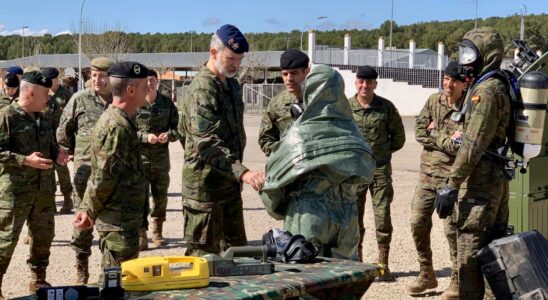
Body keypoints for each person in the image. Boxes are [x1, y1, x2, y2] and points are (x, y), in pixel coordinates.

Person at [260, 64, 375, 260]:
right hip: (348, 215)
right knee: (345, 276)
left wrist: (278, 208)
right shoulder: (352, 130)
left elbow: (274, 182)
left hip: (308, 212)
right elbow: (367, 170)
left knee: (305, 277)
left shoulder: (300, 132)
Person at [435, 27, 510, 300]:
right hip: (493, 180)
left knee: (470, 257)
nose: (466, 59)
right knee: (494, 254)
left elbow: (473, 144)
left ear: (487, 55)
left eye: (471, 52)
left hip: (480, 186)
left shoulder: (487, 91)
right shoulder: (495, 83)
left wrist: (451, 184)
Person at [178, 24, 265, 256]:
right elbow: (206, 142)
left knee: (238, 257)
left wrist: (235, 175)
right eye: (230, 58)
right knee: (203, 262)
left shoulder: (232, 85)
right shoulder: (202, 89)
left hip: (228, 185)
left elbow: (234, 134)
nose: (235, 64)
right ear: (213, 53)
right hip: (205, 192)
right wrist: (242, 172)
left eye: (239, 59)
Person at [73, 61, 149, 276]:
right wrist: (89, 211)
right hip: (118, 222)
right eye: (145, 86)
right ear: (131, 90)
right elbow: (103, 178)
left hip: (123, 219)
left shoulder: (121, 120)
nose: (149, 90)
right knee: (115, 282)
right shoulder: (116, 126)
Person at [0, 71, 68, 296]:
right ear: (30, 92)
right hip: (14, 193)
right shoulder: (6, 117)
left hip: (44, 192)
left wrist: (58, 154)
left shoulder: (44, 119)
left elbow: (50, 146)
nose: (48, 98)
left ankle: (38, 282)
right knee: (5, 241)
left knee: (43, 238)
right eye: (45, 94)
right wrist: (24, 160)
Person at [406, 62, 467, 295]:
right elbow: (420, 132)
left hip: (450, 179)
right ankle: (427, 274)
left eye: (453, 80)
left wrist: (436, 134)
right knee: (417, 222)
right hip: (427, 174)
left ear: (464, 83)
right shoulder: (434, 101)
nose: (447, 84)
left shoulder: (469, 107)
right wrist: (446, 137)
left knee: (452, 230)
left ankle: (456, 280)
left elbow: (459, 146)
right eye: (445, 78)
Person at [57, 56, 114, 284]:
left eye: (102, 75)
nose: (97, 80)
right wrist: (70, 152)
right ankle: (82, 269)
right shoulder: (79, 99)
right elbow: (63, 130)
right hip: (85, 173)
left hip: (112, 175)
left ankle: (108, 275)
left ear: (111, 77)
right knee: (83, 221)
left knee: (110, 223)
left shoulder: (119, 100)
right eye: (93, 75)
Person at [348, 66, 405, 280]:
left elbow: (398, 137)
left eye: (369, 82)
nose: (365, 85)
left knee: (382, 217)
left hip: (380, 170)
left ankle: (383, 263)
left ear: (375, 84)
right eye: (361, 81)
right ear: (356, 83)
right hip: (355, 172)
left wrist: (381, 154)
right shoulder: (346, 107)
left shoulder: (385, 107)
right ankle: (358, 262)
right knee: (354, 218)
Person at [135, 69, 181, 249]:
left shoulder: (167, 104)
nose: (149, 84)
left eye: (152, 80)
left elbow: (178, 130)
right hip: (140, 160)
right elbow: (128, 130)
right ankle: (141, 233)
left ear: (157, 81)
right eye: (146, 81)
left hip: (161, 160)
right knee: (140, 198)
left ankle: (157, 231)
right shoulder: (136, 103)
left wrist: (168, 136)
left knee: (160, 197)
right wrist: (145, 138)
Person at [258, 49, 309, 156]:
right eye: (285, 74)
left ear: (306, 72)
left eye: (294, 73)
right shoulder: (276, 104)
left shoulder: (321, 98)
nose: (289, 78)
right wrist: (284, 154)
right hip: (289, 167)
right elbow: (265, 139)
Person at [42, 67, 74, 214]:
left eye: (51, 80)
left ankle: (67, 199)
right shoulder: (43, 94)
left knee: (62, 169)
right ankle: (51, 201)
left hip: (61, 138)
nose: (49, 83)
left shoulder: (66, 94)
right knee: (47, 169)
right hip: (45, 137)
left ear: (57, 79)